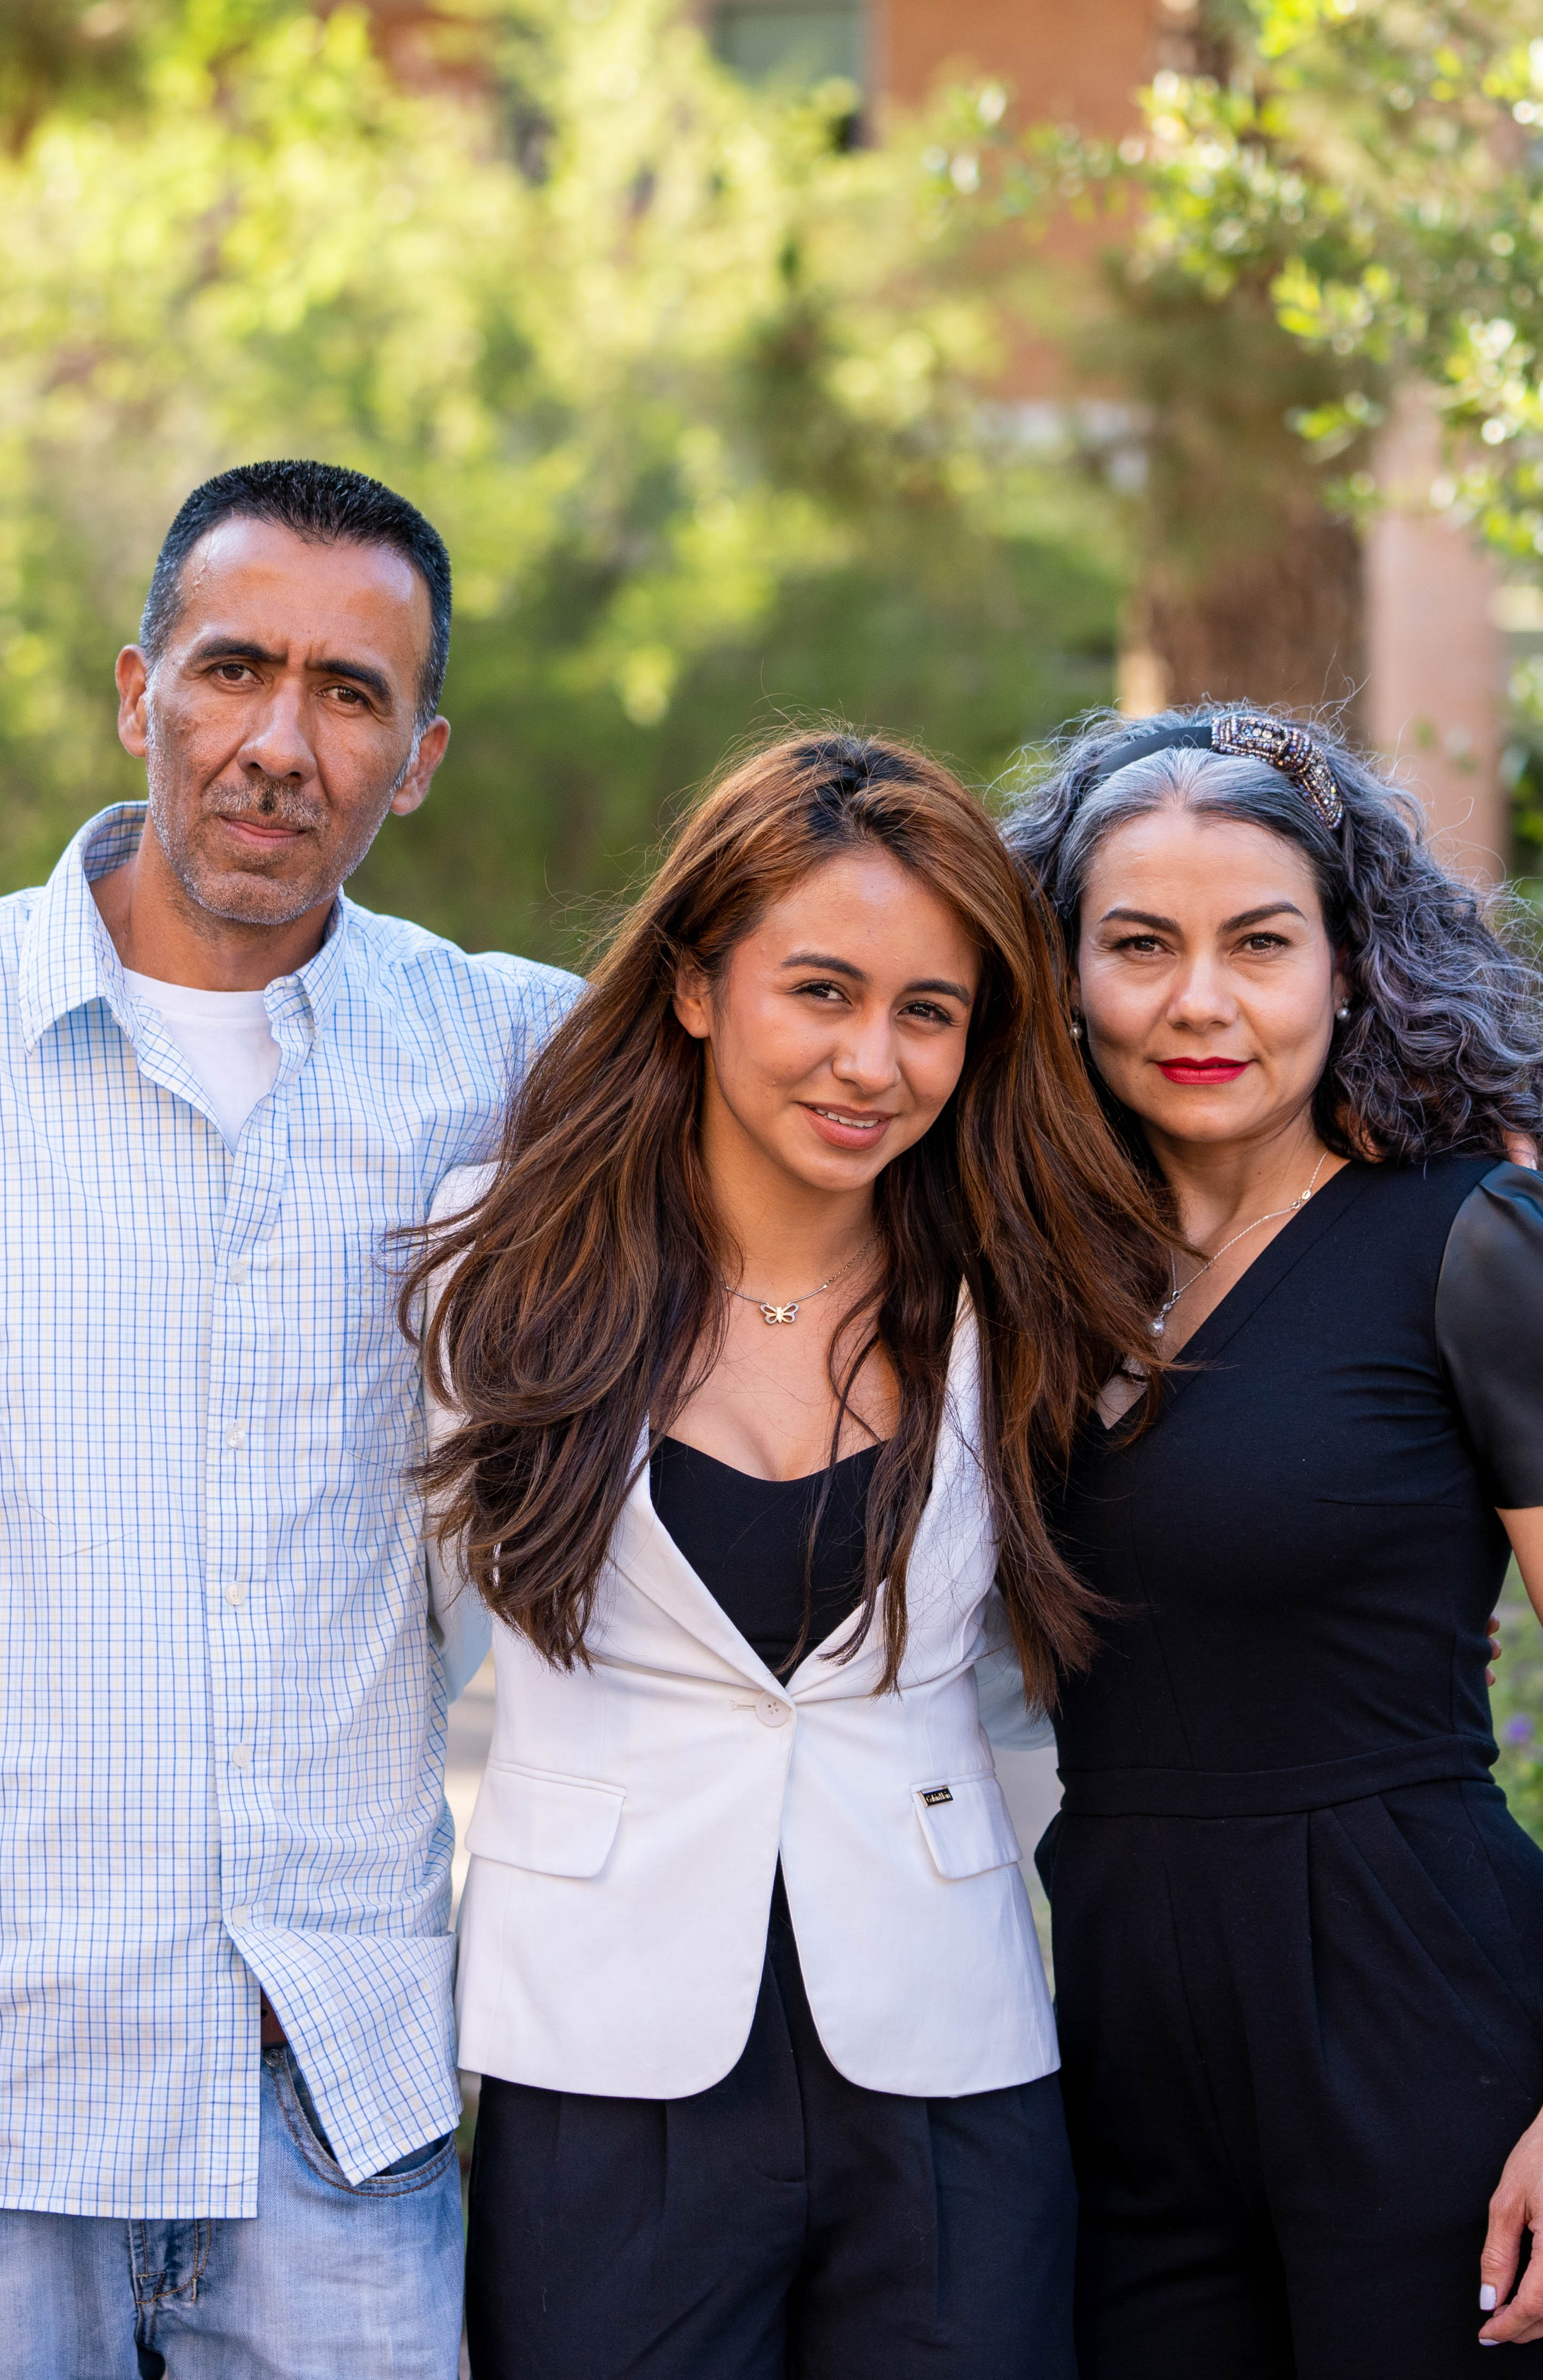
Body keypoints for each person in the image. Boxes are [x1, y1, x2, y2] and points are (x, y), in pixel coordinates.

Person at [0, 460, 576, 2378]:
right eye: (233, 672)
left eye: (349, 694)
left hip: (334, 2071)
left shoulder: (505, 1055)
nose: (279, 744)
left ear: (422, 756)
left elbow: (824, 1043)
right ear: (138, 693)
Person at [404, 731, 1176, 2380]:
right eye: (818, 990)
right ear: (695, 985)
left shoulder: (1023, 1297)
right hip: (597, 2054)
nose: (870, 1059)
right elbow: (384, 1649)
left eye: (926, 1011)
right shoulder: (499, 1269)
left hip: (948, 2053)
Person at [999, 707, 1543, 2377]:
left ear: (1346, 961)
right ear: (1063, 977)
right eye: (1138, 946)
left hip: (1422, 2022)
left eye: (1259, 943)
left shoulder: (1486, 1236)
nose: (1199, 1002)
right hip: (1115, 2031)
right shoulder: (1033, 1264)